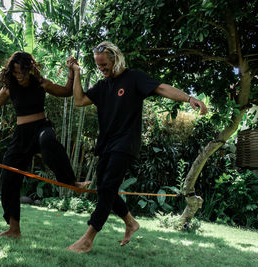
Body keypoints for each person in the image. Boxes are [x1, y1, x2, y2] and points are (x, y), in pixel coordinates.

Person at [67, 41, 208, 253]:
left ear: (116, 59)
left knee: (107, 187)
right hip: (106, 143)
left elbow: (161, 88)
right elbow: (79, 100)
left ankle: (88, 239)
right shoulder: (103, 86)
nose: (102, 69)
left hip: (125, 143)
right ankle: (131, 222)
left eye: (104, 64)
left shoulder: (134, 78)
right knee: (106, 189)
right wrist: (76, 72)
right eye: (98, 66)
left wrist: (189, 98)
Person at [0, 51, 89, 238]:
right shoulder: (9, 87)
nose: (18, 76)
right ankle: (14, 229)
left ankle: (70, 181)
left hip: (41, 128)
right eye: (15, 72)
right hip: (21, 136)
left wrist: (72, 72)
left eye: (21, 72)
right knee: (9, 180)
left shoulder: (41, 83)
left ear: (29, 69)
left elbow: (67, 92)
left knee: (48, 141)